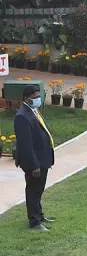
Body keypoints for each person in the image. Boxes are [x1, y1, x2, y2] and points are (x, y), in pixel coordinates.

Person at [14, 85, 55, 231]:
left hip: (42, 157)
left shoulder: (33, 110)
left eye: (39, 96)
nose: (38, 99)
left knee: (39, 189)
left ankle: (39, 215)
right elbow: (26, 145)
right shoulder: (22, 116)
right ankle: (35, 222)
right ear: (26, 98)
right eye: (34, 97)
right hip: (34, 161)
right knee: (33, 190)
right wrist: (34, 165)